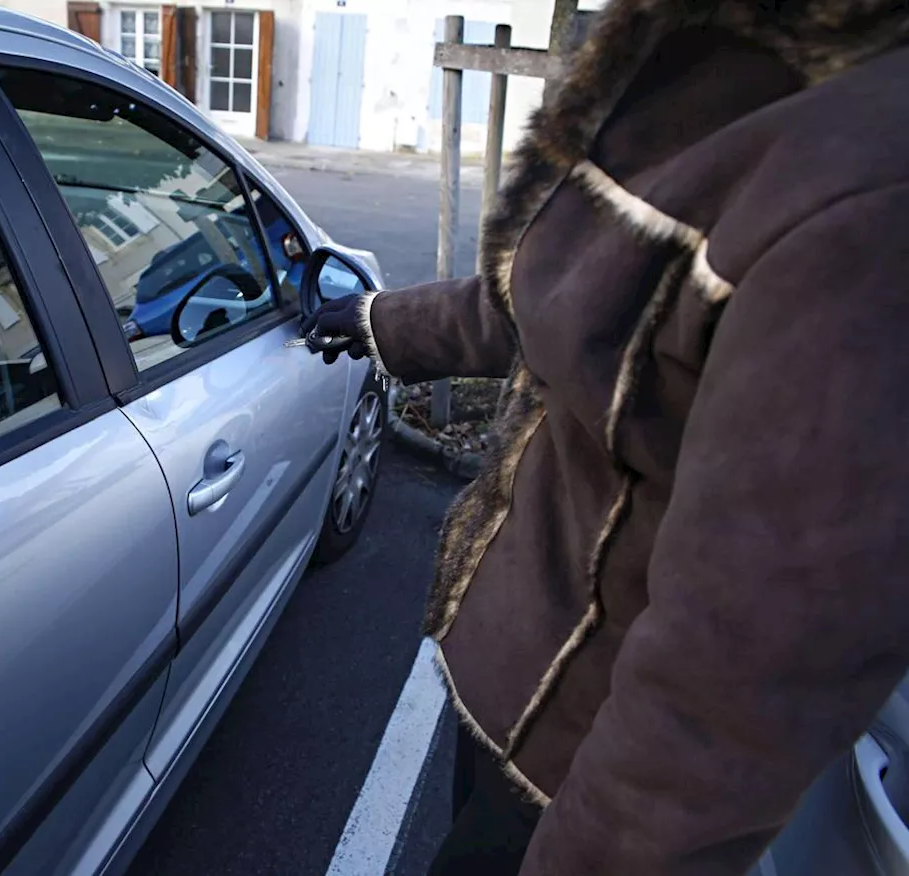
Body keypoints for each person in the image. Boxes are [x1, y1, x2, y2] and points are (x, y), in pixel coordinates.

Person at [304, 0, 909, 873]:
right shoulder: (701, 64)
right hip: (507, 675)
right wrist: (377, 321)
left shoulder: (867, 177)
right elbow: (549, 303)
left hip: (585, 761)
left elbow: (741, 672)